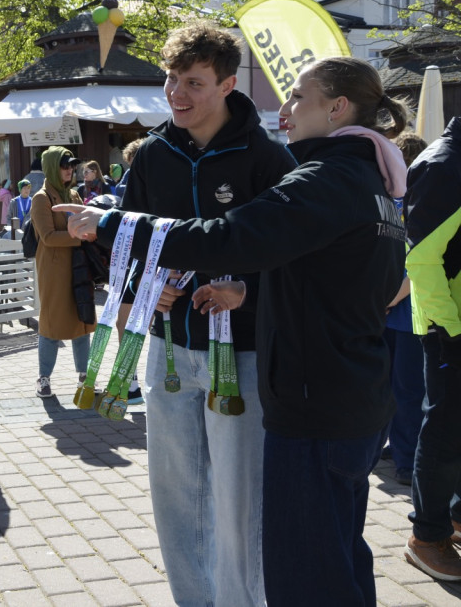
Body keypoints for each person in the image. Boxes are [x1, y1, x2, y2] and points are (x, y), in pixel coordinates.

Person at [60, 55, 409, 607]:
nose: (286, 108)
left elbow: (230, 238)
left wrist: (113, 224)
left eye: (298, 95)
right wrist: (243, 289)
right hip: (343, 396)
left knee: (302, 567)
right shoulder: (369, 180)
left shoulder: (321, 177)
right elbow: (352, 280)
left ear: (338, 107)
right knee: (336, 558)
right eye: (171, 80)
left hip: (309, 399)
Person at [82, 24, 299, 606]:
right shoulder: (154, 153)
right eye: (172, 79)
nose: (177, 93)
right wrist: (144, 287)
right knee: (176, 494)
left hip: (242, 353)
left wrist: (247, 291)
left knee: (238, 498)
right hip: (169, 348)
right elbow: (130, 238)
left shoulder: (268, 157)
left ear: (227, 85)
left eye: (194, 83)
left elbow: (293, 254)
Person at [403, 118, 461, 581]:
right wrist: (451, 330)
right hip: (449, 328)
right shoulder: (444, 163)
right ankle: (426, 536)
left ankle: (454, 518)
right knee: (444, 431)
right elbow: (421, 258)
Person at [382, 131, 428, 487]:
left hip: (405, 312)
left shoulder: (415, 202)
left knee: (405, 389)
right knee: (397, 387)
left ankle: (408, 458)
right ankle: (398, 447)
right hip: (395, 312)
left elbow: (416, 265)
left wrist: (388, 299)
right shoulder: (396, 201)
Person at [30, 146, 95, 399]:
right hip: (53, 270)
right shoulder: (41, 198)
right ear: (51, 168)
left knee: (82, 319)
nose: (70, 170)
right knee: (51, 323)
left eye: (72, 165)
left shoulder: (75, 195)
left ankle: (85, 377)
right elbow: (47, 237)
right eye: (64, 165)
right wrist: (80, 236)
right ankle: (43, 378)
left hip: (78, 265)